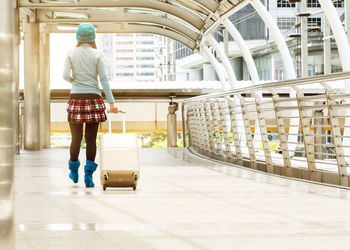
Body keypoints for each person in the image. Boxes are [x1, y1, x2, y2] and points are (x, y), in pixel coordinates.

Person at [62, 23, 118, 188]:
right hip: (94, 98)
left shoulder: (71, 53)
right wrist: (112, 102)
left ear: (78, 37)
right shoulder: (97, 54)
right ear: (92, 37)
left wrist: (75, 82)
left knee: (76, 139)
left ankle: (73, 171)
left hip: (76, 98)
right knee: (91, 139)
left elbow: (65, 75)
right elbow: (104, 80)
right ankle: (88, 176)